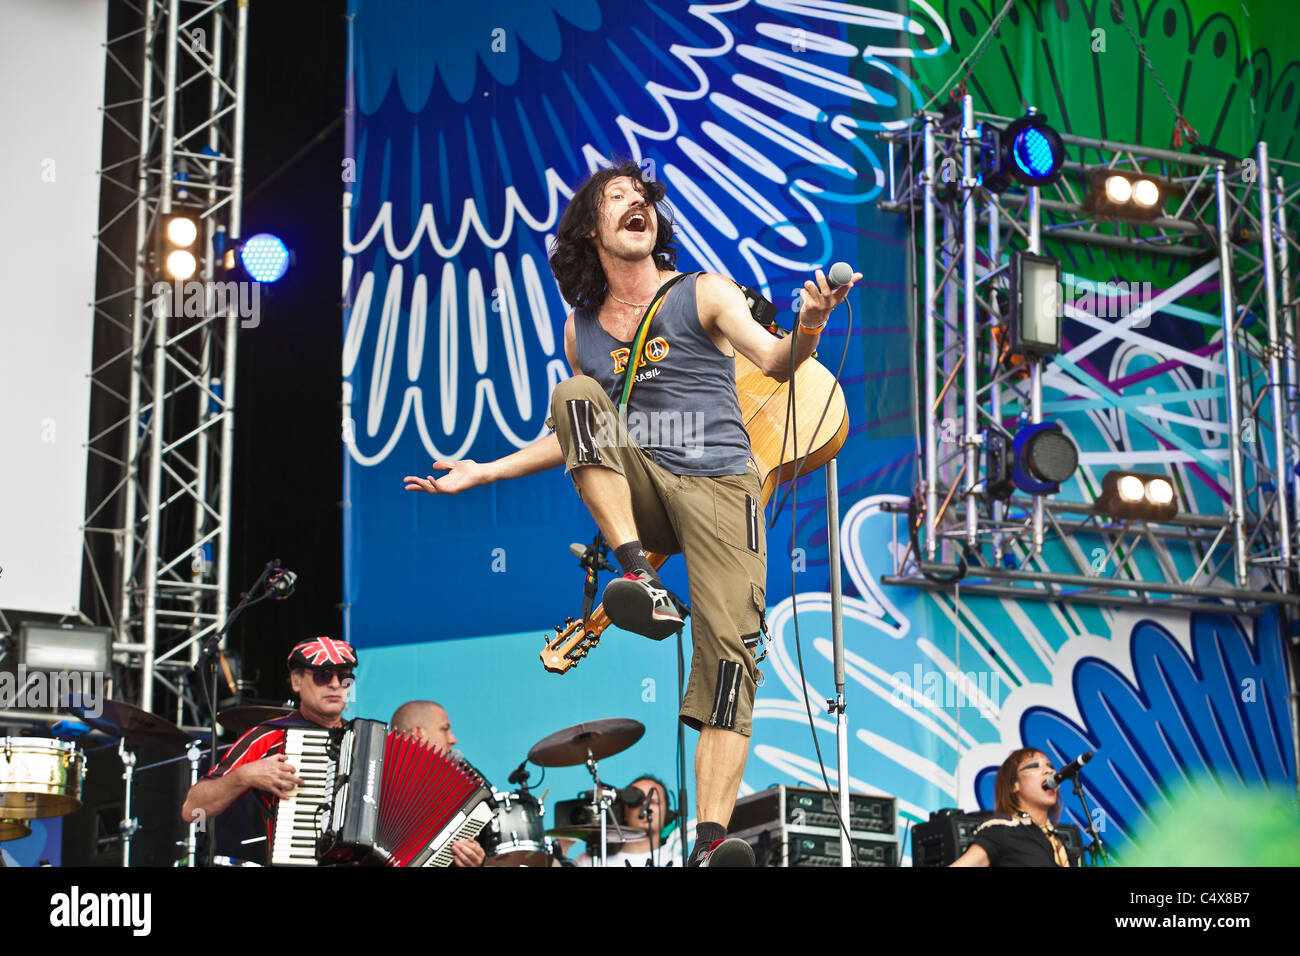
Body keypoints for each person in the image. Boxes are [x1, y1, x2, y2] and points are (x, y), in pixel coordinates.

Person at [404, 159, 858, 866]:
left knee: (732, 661)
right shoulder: (579, 330)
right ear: (591, 230)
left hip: (723, 488)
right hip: (645, 496)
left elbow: (773, 362)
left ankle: (707, 844)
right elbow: (574, 433)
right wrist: (483, 470)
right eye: (617, 197)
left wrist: (807, 328)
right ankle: (637, 574)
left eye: (641, 195)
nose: (635, 202)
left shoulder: (702, 291)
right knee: (575, 397)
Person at [180, 636, 357, 865]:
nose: (335, 684)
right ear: (296, 681)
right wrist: (245, 776)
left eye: (344, 676)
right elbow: (193, 809)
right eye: (323, 674)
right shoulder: (267, 737)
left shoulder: (367, 742)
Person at [389, 699, 485, 867]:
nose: (453, 739)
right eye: (445, 729)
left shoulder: (457, 789)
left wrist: (473, 859)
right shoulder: (374, 773)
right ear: (418, 733)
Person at [949, 747, 1074, 867]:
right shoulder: (1002, 829)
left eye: (1050, 766)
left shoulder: (1058, 842)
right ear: (1015, 785)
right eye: (1034, 766)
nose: (1049, 771)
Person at [574, 774, 675, 867]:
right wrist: (563, 846)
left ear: (667, 813)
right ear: (624, 812)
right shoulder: (590, 861)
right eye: (636, 801)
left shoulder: (679, 862)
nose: (645, 806)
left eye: (653, 801)